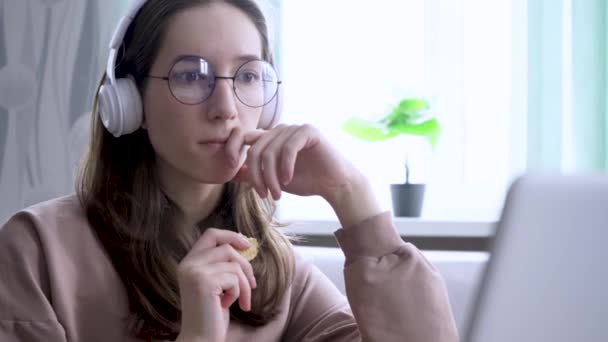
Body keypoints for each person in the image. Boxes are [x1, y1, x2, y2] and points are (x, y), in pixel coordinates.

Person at [0, 0, 458, 341]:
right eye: (191, 75)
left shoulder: (281, 275)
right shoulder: (37, 250)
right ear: (129, 101)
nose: (226, 109)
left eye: (247, 76)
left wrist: (350, 193)